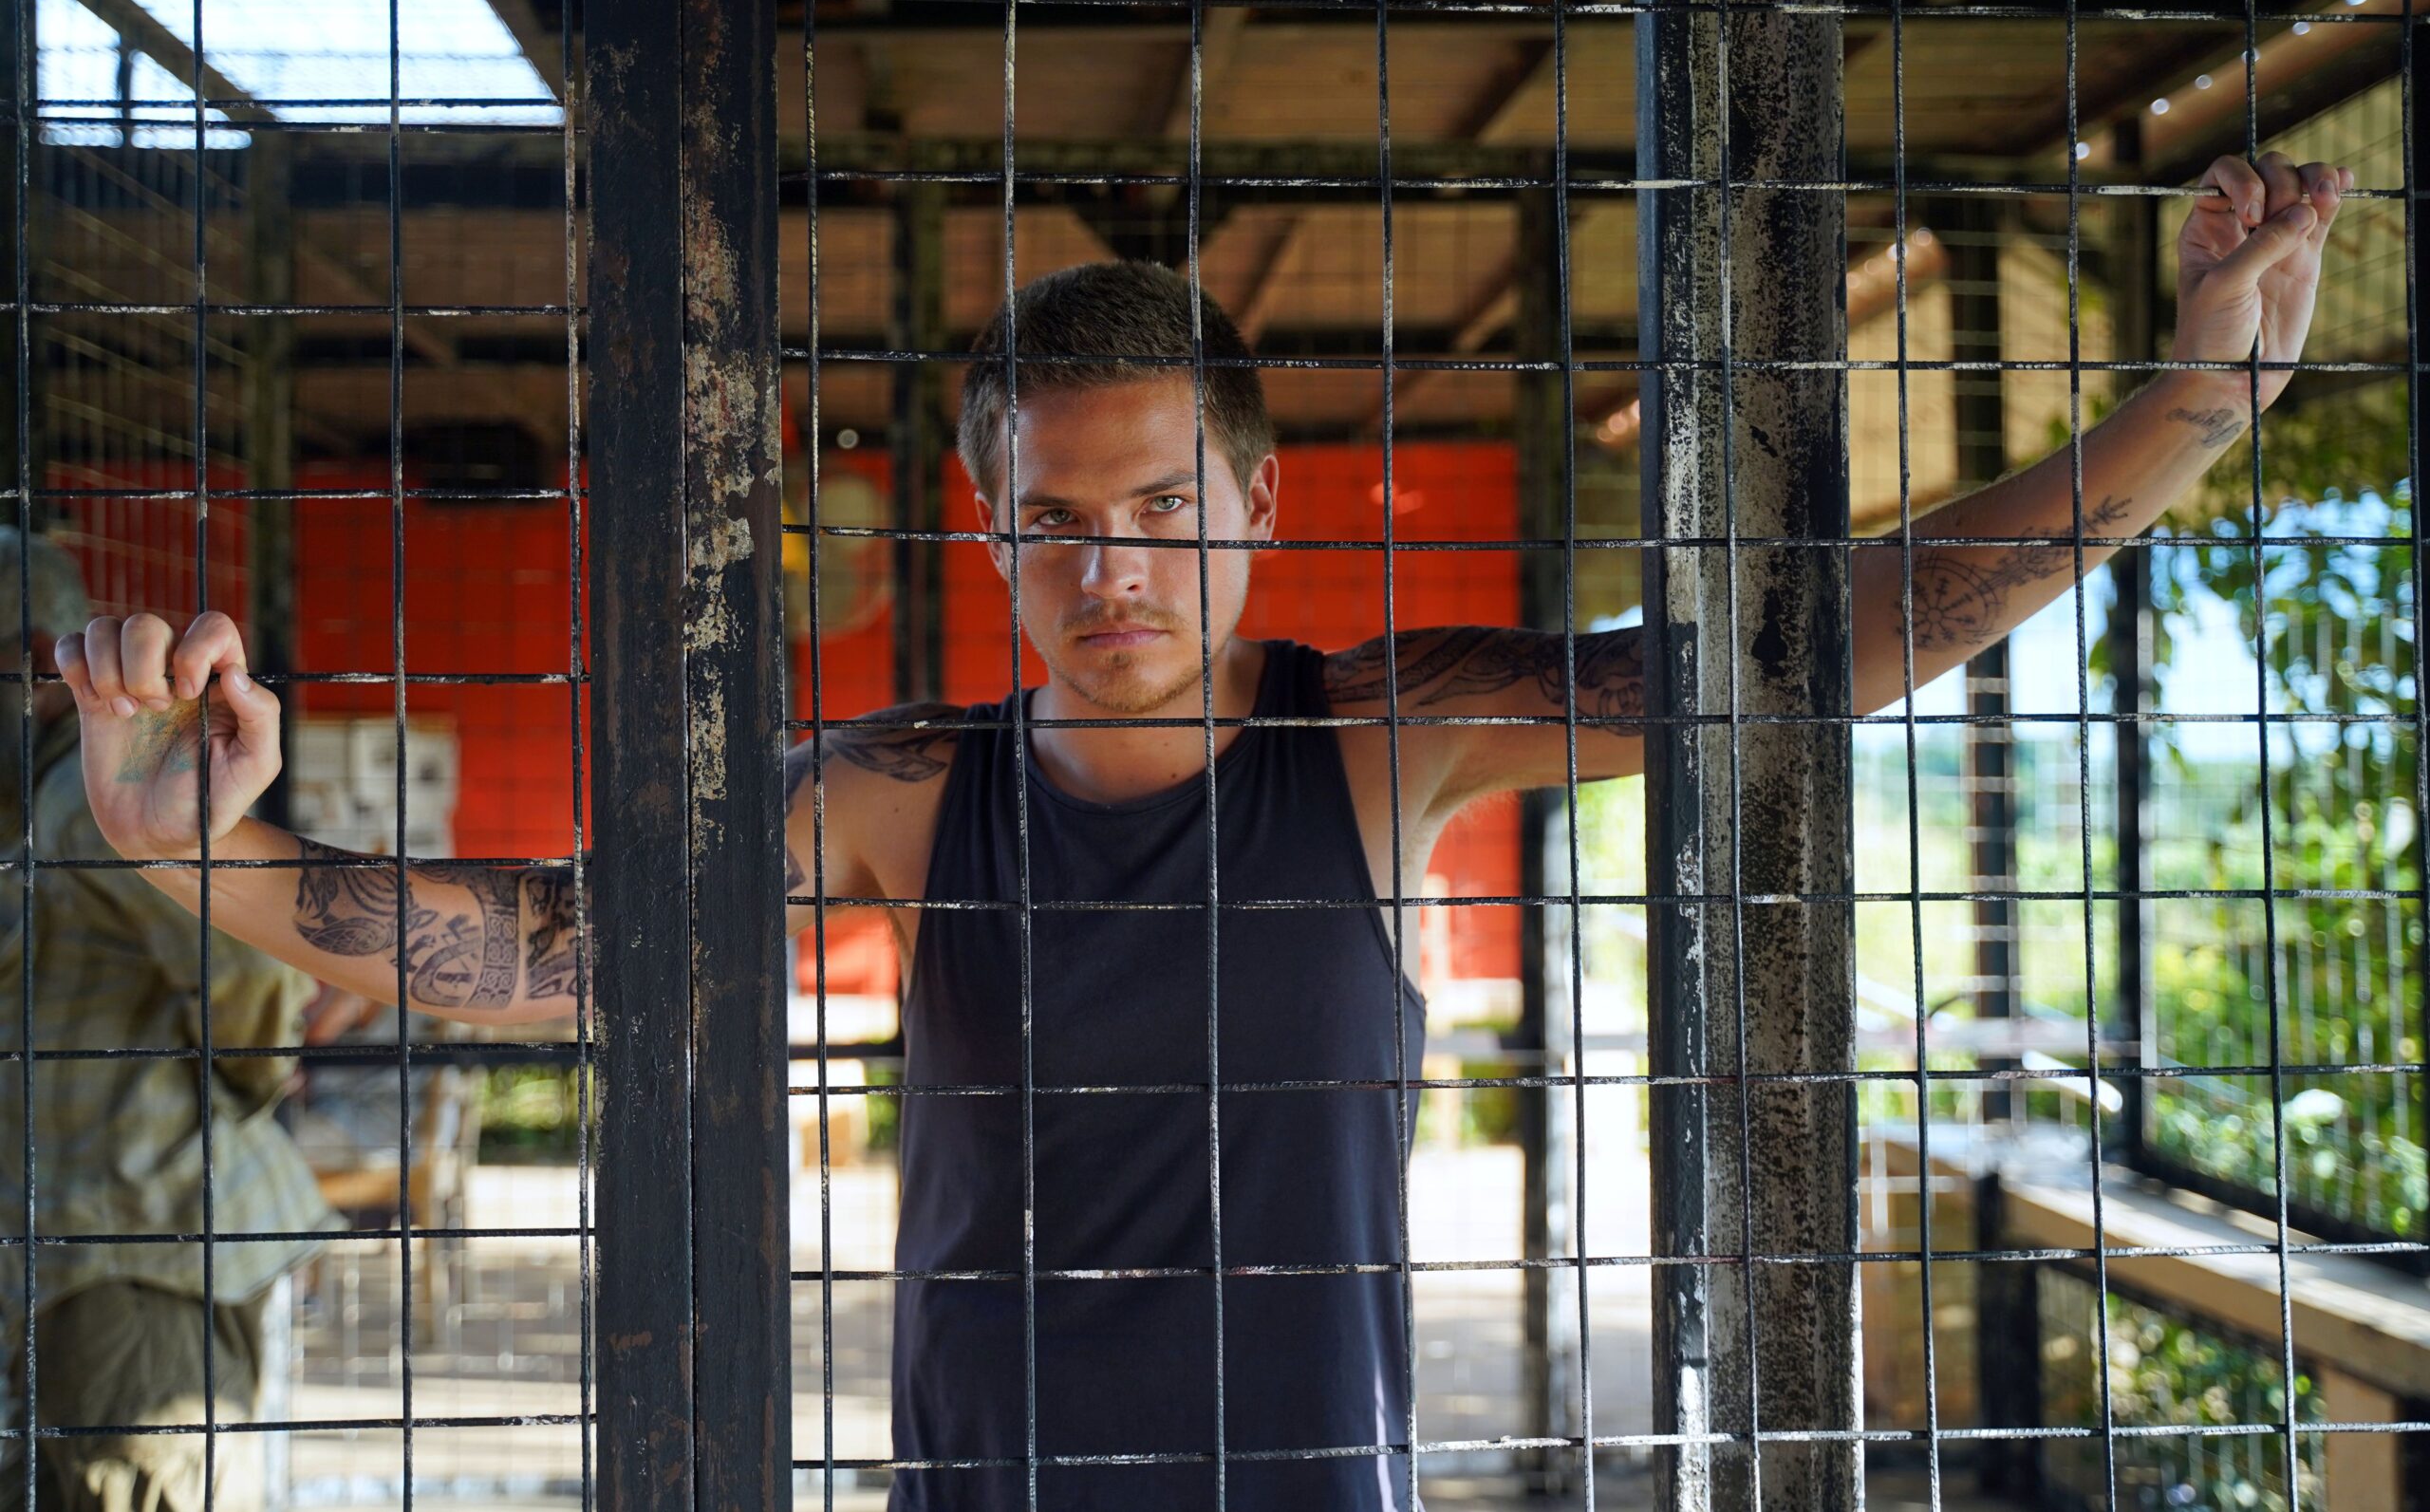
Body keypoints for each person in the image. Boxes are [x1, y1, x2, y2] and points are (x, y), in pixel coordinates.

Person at [49, 151, 2345, 1510]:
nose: (1111, 566)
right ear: (985, 526)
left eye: (1161, 505)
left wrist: (2189, 404)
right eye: (1054, 517)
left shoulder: (1377, 735)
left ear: (1254, 500)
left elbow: (1791, 648)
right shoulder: (906, 784)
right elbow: (560, 943)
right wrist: (192, 849)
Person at [0, 531, 335, 1512]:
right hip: (88, 1253)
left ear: (35, 661)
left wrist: (251, 1075)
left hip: (142, 1252)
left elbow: (249, 971)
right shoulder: (40, 810)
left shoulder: (84, 802)